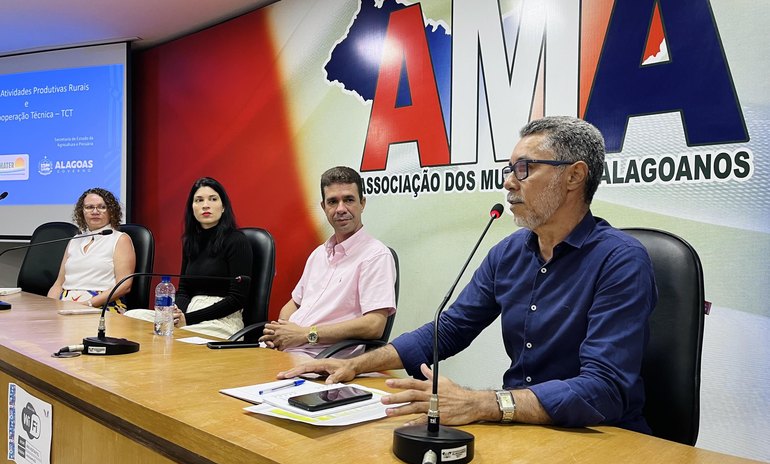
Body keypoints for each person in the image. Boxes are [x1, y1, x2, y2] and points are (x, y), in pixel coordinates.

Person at [278, 117, 658, 433]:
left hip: (601, 438)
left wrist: (484, 402)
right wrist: (354, 364)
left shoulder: (620, 260)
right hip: (518, 425)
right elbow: (451, 328)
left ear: (574, 176)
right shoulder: (507, 253)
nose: (509, 181)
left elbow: (603, 388)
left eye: (525, 168)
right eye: (509, 169)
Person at [259, 166, 397, 357]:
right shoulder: (318, 254)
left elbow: (374, 325)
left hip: (319, 359)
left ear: (362, 203)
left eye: (348, 200)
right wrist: (283, 332)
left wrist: (306, 335)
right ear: (324, 207)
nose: (341, 209)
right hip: (285, 352)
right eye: (333, 201)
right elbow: (293, 304)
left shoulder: (375, 256)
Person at [124, 177, 252, 339]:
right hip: (188, 314)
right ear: (192, 208)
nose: (206, 205)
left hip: (221, 320)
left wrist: (189, 319)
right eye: (199, 200)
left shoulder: (237, 240)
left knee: (183, 336)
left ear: (224, 206)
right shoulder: (191, 242)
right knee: (132, 316)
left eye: (213, 199)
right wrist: (177, 311)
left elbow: (237, 299)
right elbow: (184, 289)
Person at [48, 187, 136, 313]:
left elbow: (124, 286)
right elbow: (58, 284)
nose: (95, 211)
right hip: (66, 305)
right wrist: (49, 306)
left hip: (103, 306)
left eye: (102, 207)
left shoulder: (120, 239)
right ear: (82, 212)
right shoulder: (75, 240)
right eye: (89, 207)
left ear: (111, 211)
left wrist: (87, 304)